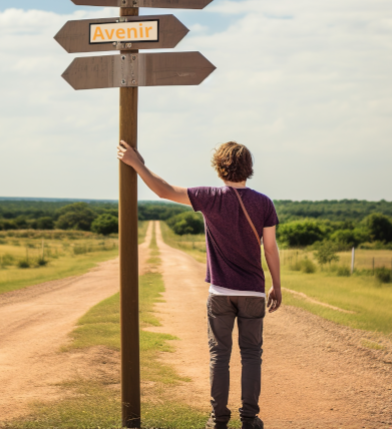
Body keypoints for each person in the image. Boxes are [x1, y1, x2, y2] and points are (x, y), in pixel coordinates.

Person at [117, 140, 282, 429]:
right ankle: (250, 419)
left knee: (220, 355)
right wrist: (277, 285)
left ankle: (218, 420)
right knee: (252, 355)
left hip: (220, 292)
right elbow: (270, 248)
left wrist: (136, 164)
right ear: (249, 168)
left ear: (219, 167)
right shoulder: (264, 203)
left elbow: (164, 190)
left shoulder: (209, 197)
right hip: (253, 291)